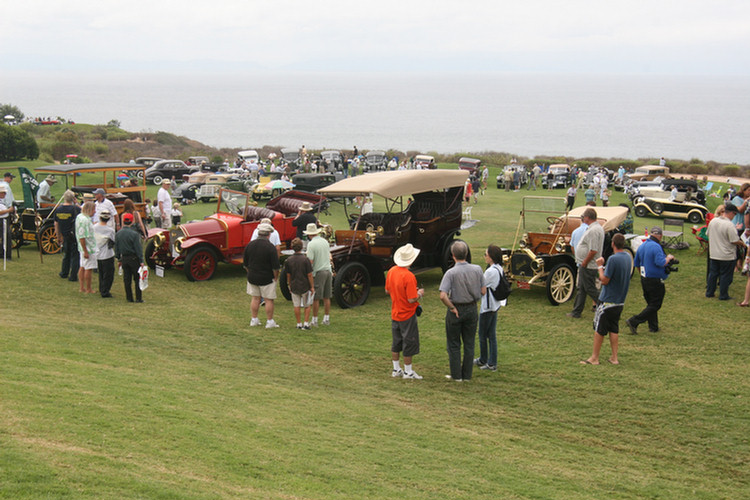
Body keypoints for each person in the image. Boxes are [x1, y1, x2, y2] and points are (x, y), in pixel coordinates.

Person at [580, 233, 632, 365]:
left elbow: (604, 280)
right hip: (620, 301)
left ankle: (594, 358)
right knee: (614, 329)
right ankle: (614, 357)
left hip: (608, 301)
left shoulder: (613, 259)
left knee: (600, 330)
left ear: (613, 244)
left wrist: (599, 266)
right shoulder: (626, 257)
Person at [439, 240, 486, 382]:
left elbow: (442, 295)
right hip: (471, 308)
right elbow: (483, 290)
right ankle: (467, 375)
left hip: (456, 308)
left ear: (453, 255)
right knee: (469, 343)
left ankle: (456, 375)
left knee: (453, 344)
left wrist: (452, 308)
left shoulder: (450, 273)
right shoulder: (477, 269)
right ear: (466, 253)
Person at [385, 243, 425, 379]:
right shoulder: (409, 276)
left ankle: (396, 369)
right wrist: (419, 293)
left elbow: (387, 290)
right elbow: (411, 299)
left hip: (395, 312)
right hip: (407, 314)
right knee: (409, 341)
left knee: (396, 342)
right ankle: (408, 372)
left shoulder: (391, 271)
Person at [625, 227, 674, 334]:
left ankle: (653, 326)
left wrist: (642, 275)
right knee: (656, 304)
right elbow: (661, 262)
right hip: (655, 280)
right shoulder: (656, 247)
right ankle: (634, 321)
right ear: (660, 236)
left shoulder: (642, 246)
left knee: (651, 303)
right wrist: (669, 258)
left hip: (644, 279)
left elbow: (637, 263)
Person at [474, 244, 506, 372]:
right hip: (494, 305)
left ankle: (487, 361)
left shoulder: (490, 271)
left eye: (486, 254)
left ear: (491, 257)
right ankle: (488, 360)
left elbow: (480, 286)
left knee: (483, 334)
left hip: (488, 307)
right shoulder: (498, 268)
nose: (484, 257)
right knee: (491, 334)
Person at [567, 208, 604, 318]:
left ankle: (606, 307)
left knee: (590, 289)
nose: (583, 218)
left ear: (587, 218)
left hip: (588, 265)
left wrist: (584, 262)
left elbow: (593, 250)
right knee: (581, 289)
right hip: (587, 264)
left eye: (584, 216)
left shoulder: (593, 230)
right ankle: (576, 311)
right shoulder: (596, 228)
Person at [243, 222, 281, 328]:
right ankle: (269, 321)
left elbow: (245, 264)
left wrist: (249, 272)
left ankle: (254, 319)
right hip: (267, 277)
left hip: (252, 276)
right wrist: (275, 277)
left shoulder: (249, 245)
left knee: (255, 298)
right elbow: (275, 267)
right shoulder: (270, 247)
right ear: (269, 234)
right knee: (269, 299)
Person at [706, 203, 746, 301]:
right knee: (725, 275)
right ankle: (723, 295)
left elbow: (708, 233)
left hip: (714, 253)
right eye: (734, 214)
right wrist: (742, 243)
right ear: (731, 213)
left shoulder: (713, 221)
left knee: (713, 273)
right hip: (727, 255)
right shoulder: (729, 225)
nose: (734, 217)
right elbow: (733, 240)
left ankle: (710, 292)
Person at [305, 223, 332, 327]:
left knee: (316, 297)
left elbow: (310, 261)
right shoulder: (325, 241)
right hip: (327, 270)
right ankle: (326, 318)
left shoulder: (311, 244)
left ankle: (315, 320)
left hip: (319, 272)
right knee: (327, 296)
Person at [284, 237, 314, 330]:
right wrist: (312, 286)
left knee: (296, 305)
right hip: (305, 284)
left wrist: (289, 285)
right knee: (307, 305)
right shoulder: (305, 260)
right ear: (302, 247)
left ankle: (298, 323)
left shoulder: (288, 260)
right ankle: (306, 323)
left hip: (294, 284)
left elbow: (288, 275)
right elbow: (309, 274)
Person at [115, 212, 145, 303]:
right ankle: (138, 298)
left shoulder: (118, 234)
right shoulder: (134, 234)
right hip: (134, 258)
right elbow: (138, 248)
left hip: (124, 258)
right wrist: (141, 260)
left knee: (127, 279)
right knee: (137, 279)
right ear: (132, 221)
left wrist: (118, 259)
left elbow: (117, 248)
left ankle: (129, 297)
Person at [75, 201, 97, 293]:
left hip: (82, 247)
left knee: (82, 266)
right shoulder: (85, 220)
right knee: (88, 268)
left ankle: (82, 287)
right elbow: (82, 236)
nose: (95, 212)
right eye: (94, 210)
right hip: (88, 248)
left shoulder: (79, 217)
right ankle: (88, 288)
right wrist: (86, 251)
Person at [94, 209, 116, 298]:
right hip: (107, 254)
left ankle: (101, 288)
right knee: (108, 274)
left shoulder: (94, 227)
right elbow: (113, 241)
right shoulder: (110, 230)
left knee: (101, 272)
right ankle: (105, 291)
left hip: (98, 253)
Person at [0, 186, 12, 261]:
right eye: (3, 193)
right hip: (1, 220)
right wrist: (9, 210)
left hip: (5, 219)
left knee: (7, 237)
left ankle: (6, 254)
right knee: (5, 236)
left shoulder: (4, 201)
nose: (5, 194)